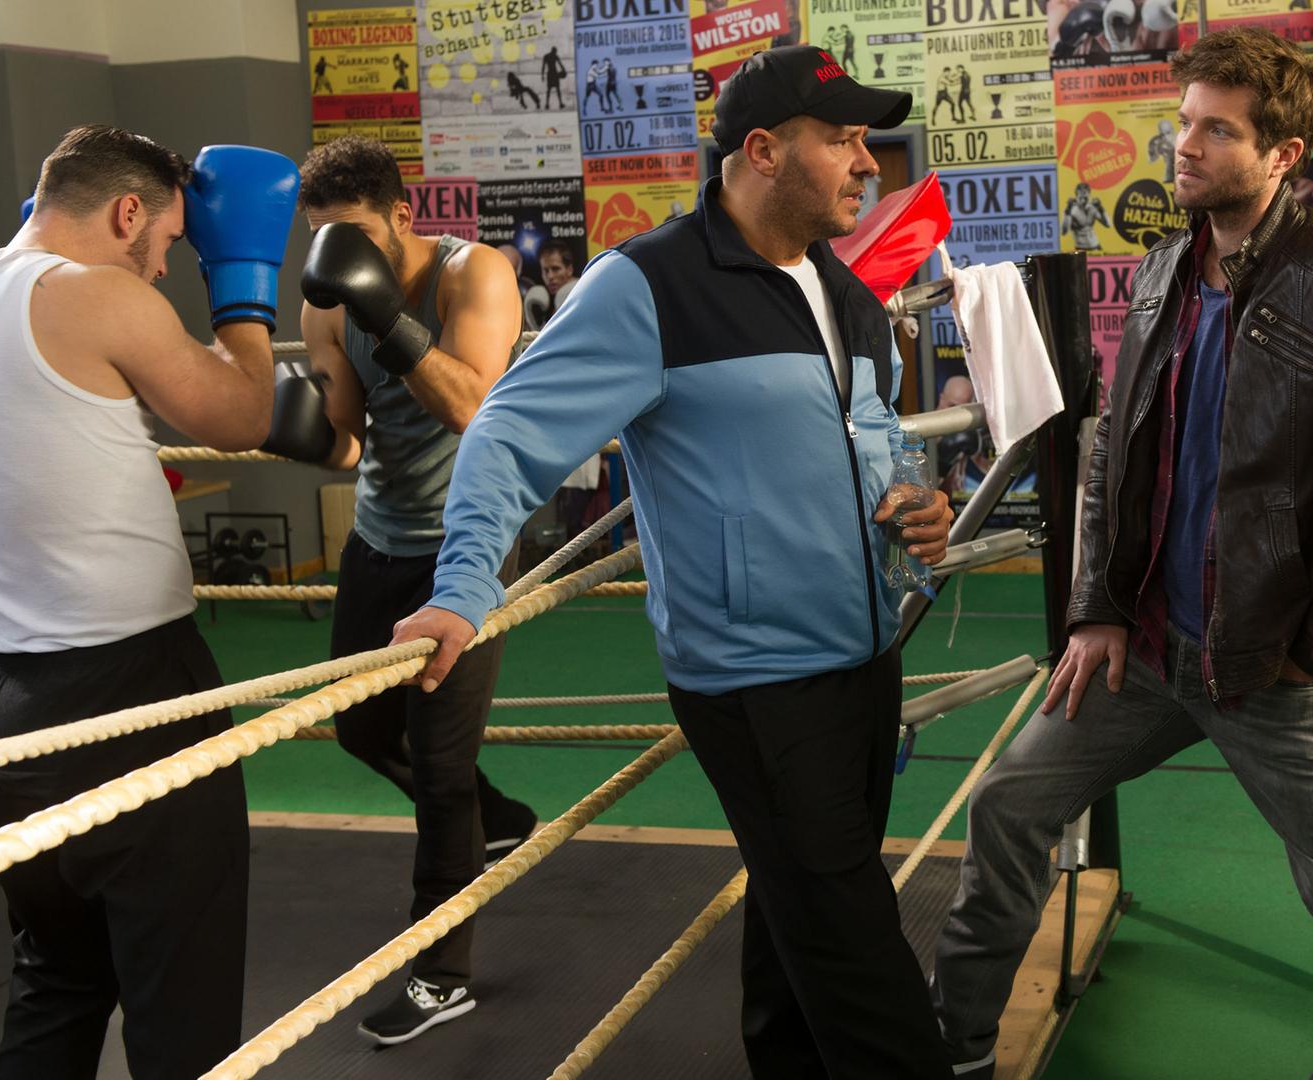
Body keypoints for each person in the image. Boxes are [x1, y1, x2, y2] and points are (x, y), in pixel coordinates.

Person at [388, 44, 958, 1078]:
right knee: (857, 951)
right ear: (762, 152)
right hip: (757, 681)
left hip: (866, 655)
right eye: (839, 141)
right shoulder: (646, 286)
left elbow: (868, 436)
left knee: (798, 922)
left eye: (865, 141)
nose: (866, 163)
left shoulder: (845, 291)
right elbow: (504, 435)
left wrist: (919, 508)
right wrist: (464, 588)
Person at [931, 29, 1313, 1080]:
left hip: (1273, 672)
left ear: (1284, 154)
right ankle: (956, 1053)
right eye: (1182, 121)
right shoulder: (1159, 268)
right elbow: (1115, 453)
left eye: (1215, 130)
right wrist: (1097, 602)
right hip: (1148, 645)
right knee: (1009, 804)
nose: (1181, 145)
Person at [0, 125, 313, 1079]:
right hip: (130, 694)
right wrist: (244, 282)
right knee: (184, 1002)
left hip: (0, 703)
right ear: (126, 212)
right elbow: (243, 414)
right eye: (170, 240)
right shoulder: (100, 295)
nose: (170, 263)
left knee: (58, 975)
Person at [290, 135, 536, 1047]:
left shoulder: (478, 276)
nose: (333, 256)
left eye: (349, 235)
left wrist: (385, 312)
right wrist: (297, 427)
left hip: (465, 550)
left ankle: (443, 974)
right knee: (359, 728)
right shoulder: (326, 297)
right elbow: (350, 438)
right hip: (378, 540)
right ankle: (499, 817)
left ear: (403, 214)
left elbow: (474, 405)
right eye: (319, 238)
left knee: (437, 774)